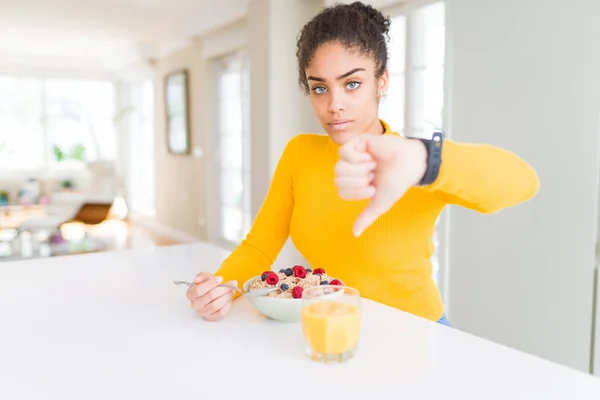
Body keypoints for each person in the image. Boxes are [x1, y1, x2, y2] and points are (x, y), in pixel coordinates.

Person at [186, 1, 539, 324]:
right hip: (333, 329)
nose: (335, 104)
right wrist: (220, 288)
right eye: (320, 88)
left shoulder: (411, 161)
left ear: (381, 81)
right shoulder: (300, 153)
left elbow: (524, 182)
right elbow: (259, 247)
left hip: (418, 334)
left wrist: (425, 159)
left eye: (352, 83)